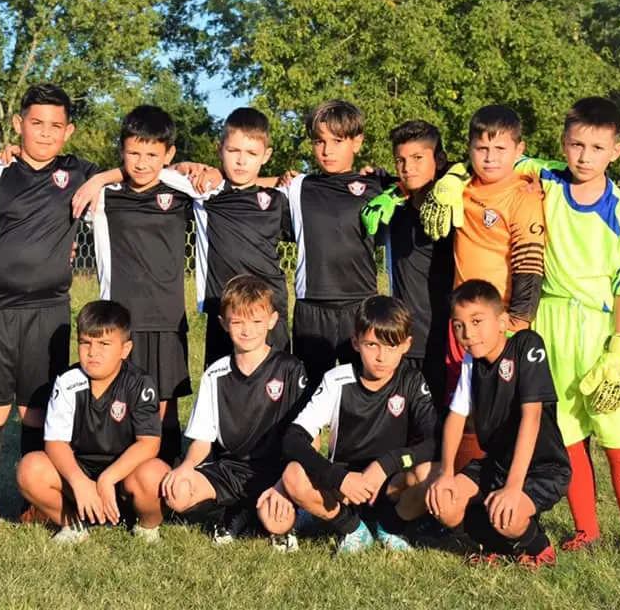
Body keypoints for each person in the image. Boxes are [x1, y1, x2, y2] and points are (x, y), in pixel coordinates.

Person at [0, 84, 120, 536]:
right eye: (36, 123)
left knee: (36, 409)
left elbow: (132, 170)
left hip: (49, 312)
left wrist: (99, 179)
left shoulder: (77, 172)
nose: (45, 133)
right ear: (18, 124)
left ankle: (31, 500)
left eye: (55, 126)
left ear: (69, 131)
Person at [528, 97, 620, 556]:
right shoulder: (544, 179)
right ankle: (586, 529)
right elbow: (497, 159)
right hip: (550, 322)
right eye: (576, 145)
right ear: (562, 143)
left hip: (598, 329)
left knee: (617, 428)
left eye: (597, 148)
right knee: (566, 429)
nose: (584, 156)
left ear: (615, 151)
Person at [127, 275, 309, 547]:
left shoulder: (291, 369)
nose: (247, 330)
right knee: (178, 494)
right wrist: (186, 467)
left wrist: (284, 486)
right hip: (229, 471)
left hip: (276, 472)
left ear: (272, 321)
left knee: (277, 522)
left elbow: (308, 437)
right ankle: (229, 514)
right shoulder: (216, 374)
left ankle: (258, 515)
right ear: (224, 323)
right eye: (238, 322)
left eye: (256, 321)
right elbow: (202, 440)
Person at [421, 106, 547, 471]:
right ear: (470, 149)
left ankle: (500, 480)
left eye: (500, 149)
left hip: (500, 320)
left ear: (519, 149)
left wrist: (519, 321)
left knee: (498, 404)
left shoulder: (523, 194)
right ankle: (458, 483)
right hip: (460, 320)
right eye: (481, 149)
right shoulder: (460, 188)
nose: (490, 158)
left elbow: (529, 263)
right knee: (461, 402)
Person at [265, 295, 439, 555]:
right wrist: (339, 478)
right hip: (344, 487)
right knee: (293, 475)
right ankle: (352, 528)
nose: (381, 356)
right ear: (356, 343)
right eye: (372, 345)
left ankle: (390, 527)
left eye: (392, 346)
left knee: (433, 472)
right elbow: (294, 438)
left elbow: (434, 441)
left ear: (407, 345)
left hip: (389, 484)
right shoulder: (337, 380)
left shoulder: (412, 381)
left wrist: (386, 465)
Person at [426, 280, 570, 569]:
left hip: (542, 467)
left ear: (502, 321)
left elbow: (531, 418)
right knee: (445, 503)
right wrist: (446, 473)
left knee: (509, 515)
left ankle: (538, 547)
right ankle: (497, 546)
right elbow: (456, 417)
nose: (468, 333)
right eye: (459, 325)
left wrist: (513, 486)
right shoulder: (471, 361)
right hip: (497, 464)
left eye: (477, 321)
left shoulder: (526, 345)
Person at [88, 105, 198, 465]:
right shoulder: (105, 194)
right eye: (134, 153)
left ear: (169, 154)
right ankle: (118, 474)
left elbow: (225, 183)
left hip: (167, 318)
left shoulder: (182, 191)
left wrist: (204, 170)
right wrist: (98, 178)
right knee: (119, 399)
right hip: (120, 319)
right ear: (122, 150)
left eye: (152, 155)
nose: (142, 163)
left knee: (164, 404)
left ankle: (165, 476)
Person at [15, 300, 161, 543]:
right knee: (30, 469)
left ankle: (147, 527)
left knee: (154, 475)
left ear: (125, 349)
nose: (93, 352)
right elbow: (55, 443)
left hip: (122, 477)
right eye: (85, 343)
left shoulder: (140, 383)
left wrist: (108, 479)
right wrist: (79, 482)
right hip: (79, 476)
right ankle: (73, 525)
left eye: (104, 344)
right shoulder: (67, 381)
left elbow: (149, 444)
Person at [282, 100, 385, 389]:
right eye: (319, 141)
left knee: (363, 391)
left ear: (357, 142)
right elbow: (250, 187)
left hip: (360, 306)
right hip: (311, 308)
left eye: (337, 141)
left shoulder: (378, 188)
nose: (327, 151)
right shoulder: (299, 187)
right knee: (308, 396)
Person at [360, 120, 455, 411]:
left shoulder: (455, 208)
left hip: (447, 341)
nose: (408, 168)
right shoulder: (394, 208)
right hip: (401, 341)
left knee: (446, 426)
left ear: (439, 160)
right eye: (400, 160)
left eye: (417, 158)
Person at [185, 108, 292, 366]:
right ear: (219, 149)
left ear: (266, 155)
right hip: (223, 308)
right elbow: (159, 171)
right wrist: (203, 170)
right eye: (233, 151)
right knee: (224, 383)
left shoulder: (278, 199)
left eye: (251, 153)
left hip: (269, 310)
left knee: (276, 383)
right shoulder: (205, 193)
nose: (241, 161)